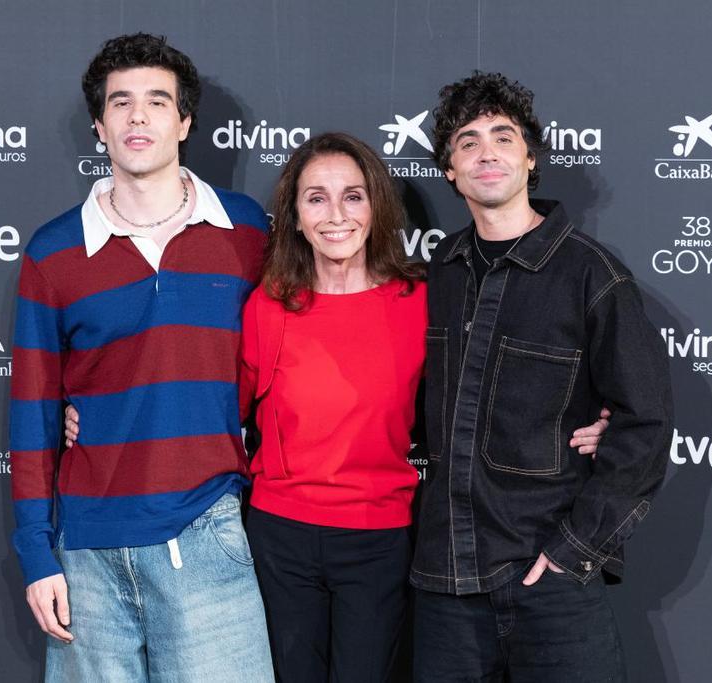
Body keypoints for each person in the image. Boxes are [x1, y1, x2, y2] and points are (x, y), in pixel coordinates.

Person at [64, 131, 611, 681]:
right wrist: (101, 417)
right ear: (295, 216)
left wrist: (593, 415)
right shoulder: (267, 307)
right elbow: (209, 403)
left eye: (352, 196)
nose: (336, 215)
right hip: (281, 536)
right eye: (316, 198)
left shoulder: (421, 300)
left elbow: (487, 379)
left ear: (376, 207)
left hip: (381, 537)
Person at [9, 33, 273, 681]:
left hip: (208, 527)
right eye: (120, 102)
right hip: (86, 548)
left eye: (157, 101)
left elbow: (287, 363)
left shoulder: (247, 232)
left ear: (183, 121)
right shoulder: (54, 251)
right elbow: (32, 414)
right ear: (98, 125)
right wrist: (37, 554)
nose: (137, 116)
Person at [410, 72, 673, 682]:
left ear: (530, 157)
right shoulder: (436, 277)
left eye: (504, 136)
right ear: (450, 169)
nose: (487, 152)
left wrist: (575, 550)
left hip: (550, 581)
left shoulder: (593, 276)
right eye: (467, 141)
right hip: (446, 583)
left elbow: (646, 421)